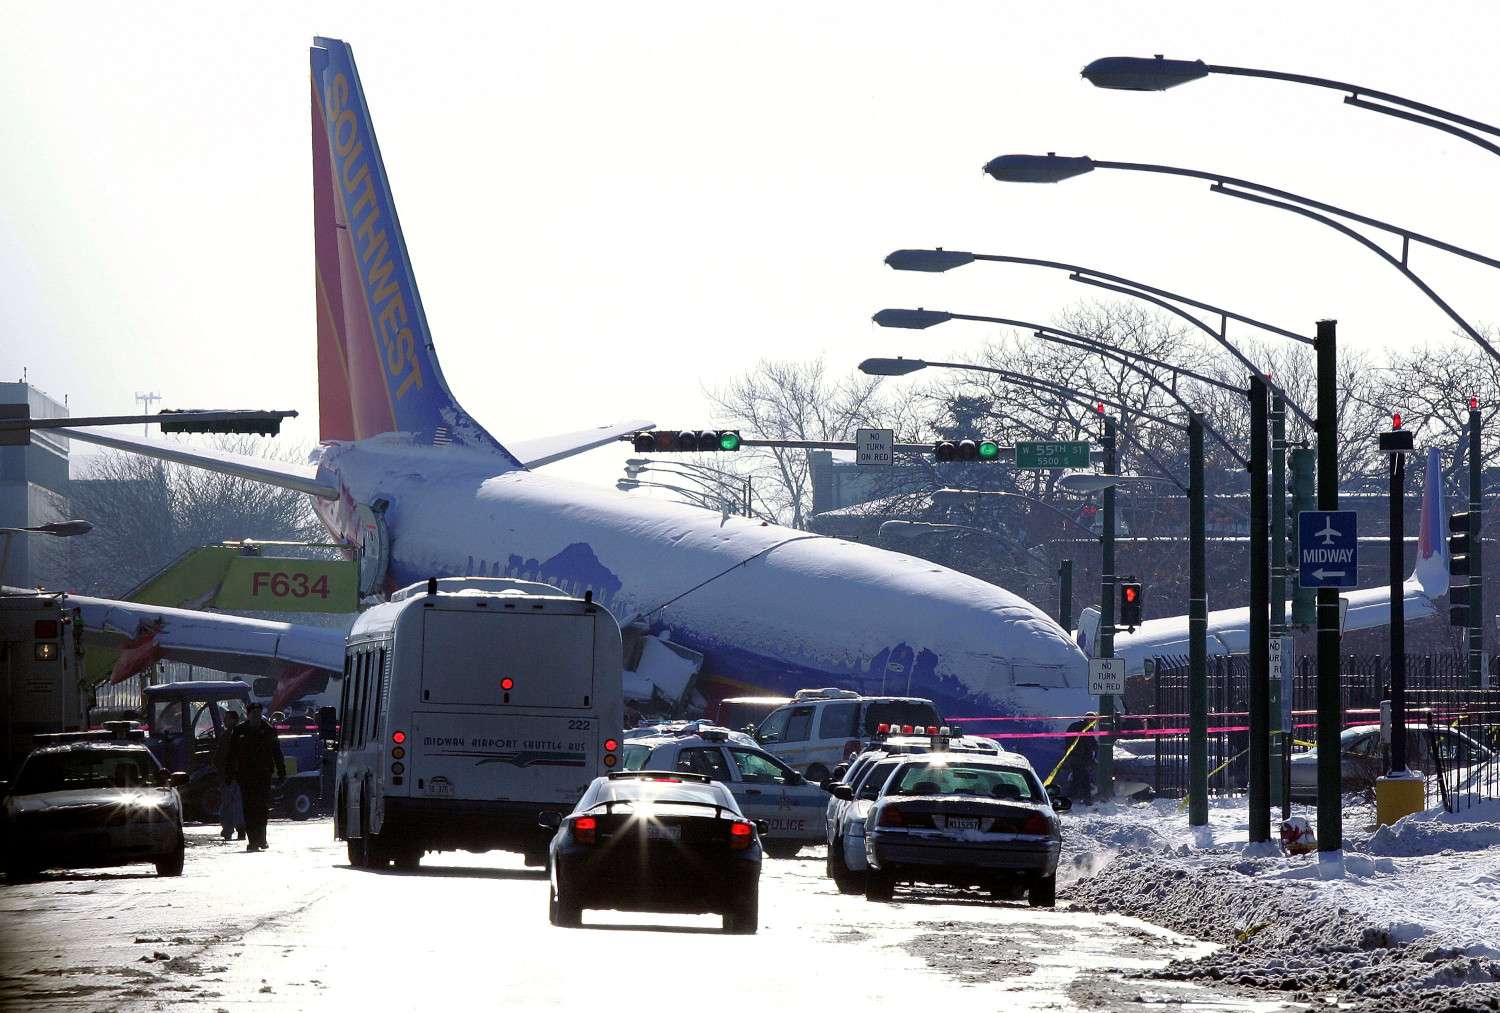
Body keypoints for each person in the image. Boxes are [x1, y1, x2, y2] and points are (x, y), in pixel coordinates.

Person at [224, 702, 286, 852]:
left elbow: (277, 753)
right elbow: (231, 755)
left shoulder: (269, 730)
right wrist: (229, 774)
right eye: (254, 714)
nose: (257, 717)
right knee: (249, 808)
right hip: (245, 777)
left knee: (262, 807)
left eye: (259, 714)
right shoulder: (239, 731)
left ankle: (262, 838)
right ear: (248, 714)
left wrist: (281, 772)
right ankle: (253, 840)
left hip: (264, 775)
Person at [213, 710, 246, 841]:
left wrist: (219, 768)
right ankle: (239, 829)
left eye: (226, 719)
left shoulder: (229, 735)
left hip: (230, 775)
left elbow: (221, 756)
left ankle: (229, 829)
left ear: (233, 720)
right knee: (237, 803)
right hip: (236, 775)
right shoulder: (240, 734)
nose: (224, 721)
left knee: (228, 804)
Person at [1064, 711, 1098, 806]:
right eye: (1094, 721)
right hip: (1082, 758)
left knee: (1080, 778)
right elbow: (1090, 743)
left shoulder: (1074, 725)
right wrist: (1097, 748)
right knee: (1080, 779)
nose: (1094, 723)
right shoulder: (1087, 728)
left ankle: (1085, 799)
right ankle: (1072, 799)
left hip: (1073, 757)